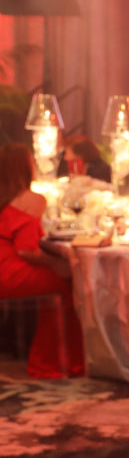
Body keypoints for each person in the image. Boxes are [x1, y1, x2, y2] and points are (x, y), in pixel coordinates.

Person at [0, 143, 84, 378]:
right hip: (11, 273)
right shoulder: (32, 199)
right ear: (25, 169)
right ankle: (55, 362)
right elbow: (26, 251)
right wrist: (59, 265)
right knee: (69, 285)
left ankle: (49, 358)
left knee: (64, 279)